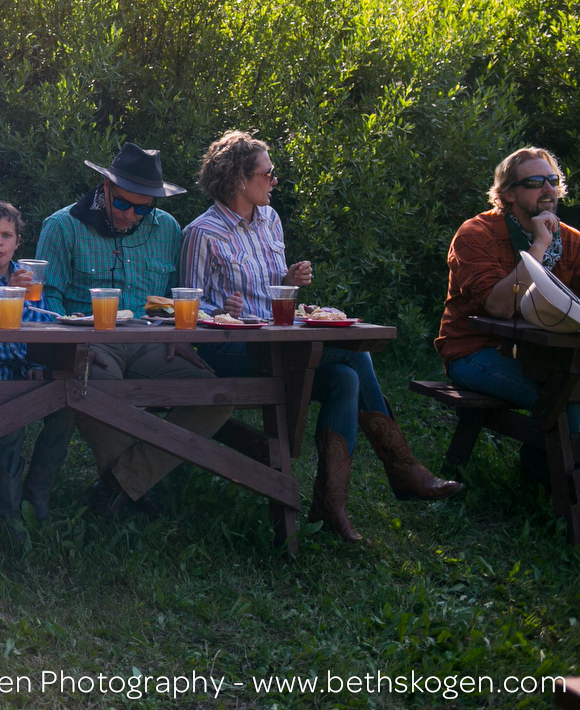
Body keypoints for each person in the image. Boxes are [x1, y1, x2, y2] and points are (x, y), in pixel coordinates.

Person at [180, 131, 460, 542]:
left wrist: (289, 281)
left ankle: (331, 504)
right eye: (268, 173)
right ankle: (402, 470)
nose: (275, 180)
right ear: (240, 179)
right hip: (230, 351)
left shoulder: (270, 221)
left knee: (345, 377)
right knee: (355, 357)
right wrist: (220, 312)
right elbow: (187, 308)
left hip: (279, 342)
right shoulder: (201, 233)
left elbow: (272, 292)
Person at [35, 142, 231, 517]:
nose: (131, 215)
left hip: (149, 340)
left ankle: (120, 487)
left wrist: (180, 336)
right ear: (105, 189)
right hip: (89, 341)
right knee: (90, 391)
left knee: (217, 399)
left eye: (143, 208)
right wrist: (68, 346)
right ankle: (137, 494)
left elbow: (173, 299)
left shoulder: (168, 229)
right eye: (123, 203)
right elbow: (47, 299)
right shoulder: (62, 226)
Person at [437, 147, 580, 482]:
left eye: (552, 180)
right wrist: (539, 246)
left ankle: (541, 479)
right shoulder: (476, 235)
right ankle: (557, 502)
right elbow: (498, 305)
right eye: (534, 182)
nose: (547, 188)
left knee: (568, 390)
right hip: (475, 351)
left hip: (544, 353)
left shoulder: (572, 241)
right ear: (508, 195)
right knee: (566, 398)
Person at [0, 201, 76, 531]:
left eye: (6, 236)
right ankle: (9, 516)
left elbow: (41, 323)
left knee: (69, 403)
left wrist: (37, 361)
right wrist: (9, 295)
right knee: (13, 412)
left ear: (17, 241)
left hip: (19, 369)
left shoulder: (28, 276)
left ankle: (37, 496)